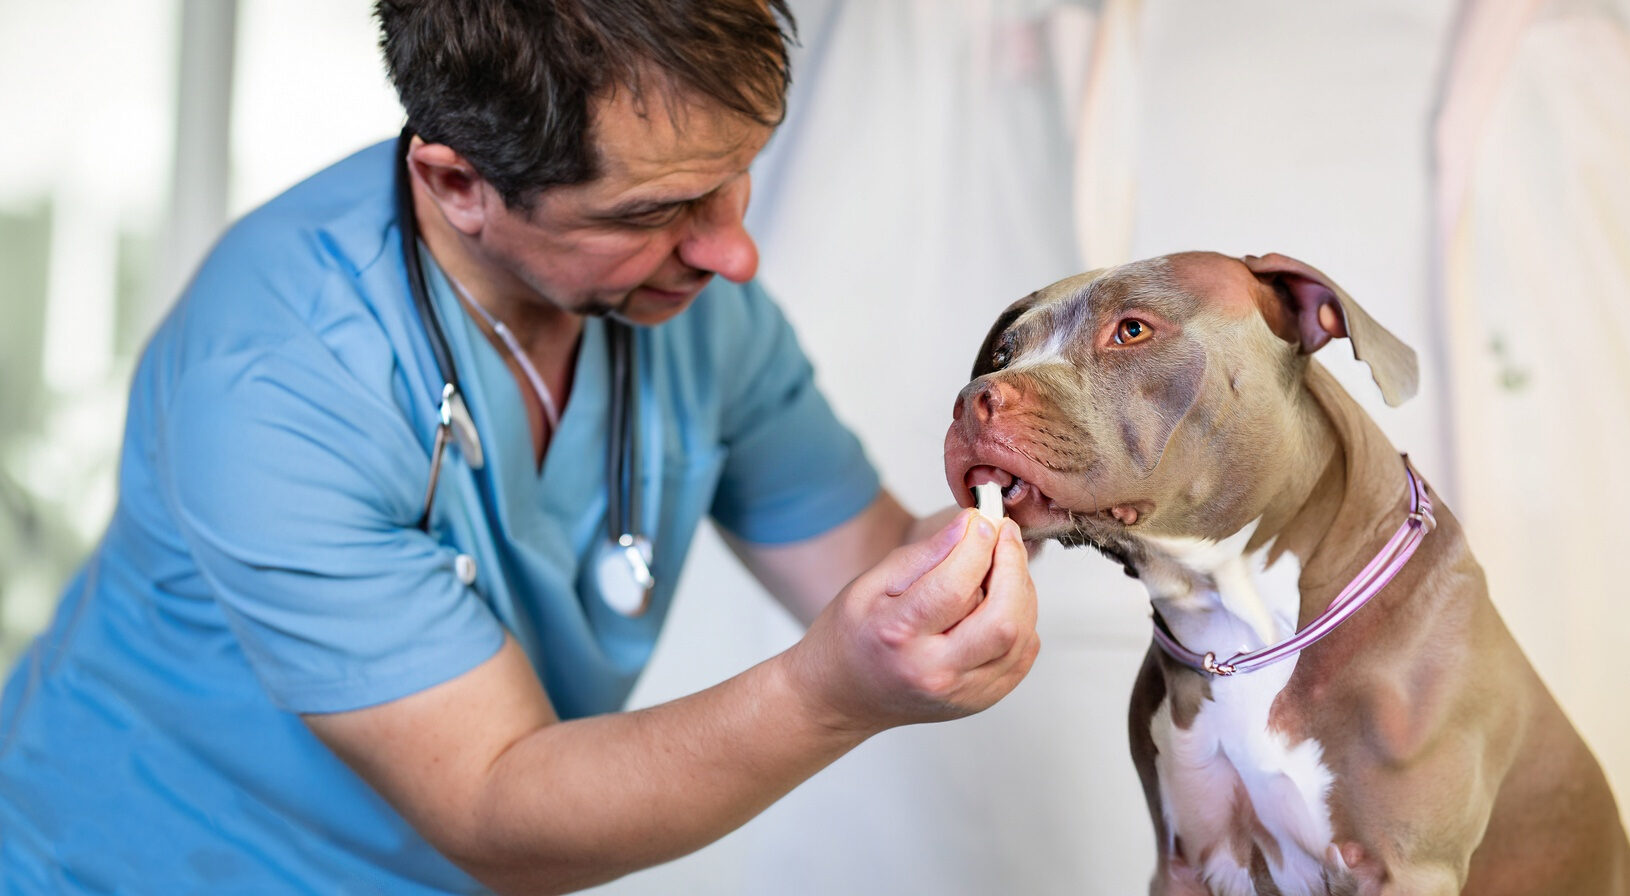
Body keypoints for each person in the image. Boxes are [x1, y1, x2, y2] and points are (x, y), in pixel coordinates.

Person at [0, 1, 1039, 893]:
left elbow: (876, 566)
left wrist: (1048, 478)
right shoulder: (274, 372)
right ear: (457, 183)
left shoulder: (706, 316)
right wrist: (828, 689)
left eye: (736, 175)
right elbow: (496, 800)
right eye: (658, 209)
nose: (734, 250)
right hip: (133, 861)